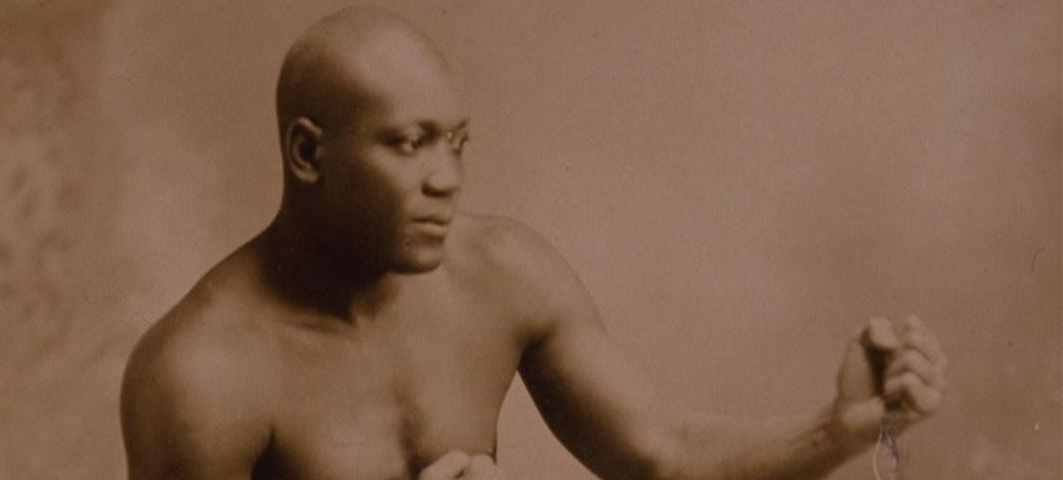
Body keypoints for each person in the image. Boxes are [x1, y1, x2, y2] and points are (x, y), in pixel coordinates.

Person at [119, 7, 947, 480]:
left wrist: (837, 431)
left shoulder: (501, 275)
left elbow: (663, 457)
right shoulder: (200, 372)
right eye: (408, 144)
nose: (447, 178)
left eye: (457, 141)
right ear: (308, 154)